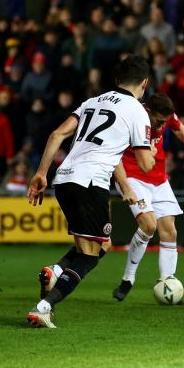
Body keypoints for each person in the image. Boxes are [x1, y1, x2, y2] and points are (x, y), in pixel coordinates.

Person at [26, 56, 155, 328]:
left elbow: (56, 135)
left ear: (117, 80)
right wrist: (152, 150)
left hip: (64, 178)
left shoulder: (92, 102)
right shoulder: (137, 110)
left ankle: (56, 271)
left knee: (100, 244)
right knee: (88, 256)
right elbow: (144, 164)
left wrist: (40, 173)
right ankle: (44, 307)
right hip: (90, 182)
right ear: (145, 83)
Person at [110, 92, 184, 301]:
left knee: (170, 231)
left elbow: (178, 126)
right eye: (159, 120)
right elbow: (114, 154)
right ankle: (128, 278)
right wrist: (125, 186)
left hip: (159, 178)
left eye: (164, 121)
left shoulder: (164, 116)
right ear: (148, 111)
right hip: (133, 176)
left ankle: (167, 282)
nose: (161, 125)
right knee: (149, 226)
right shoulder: (130, 118)